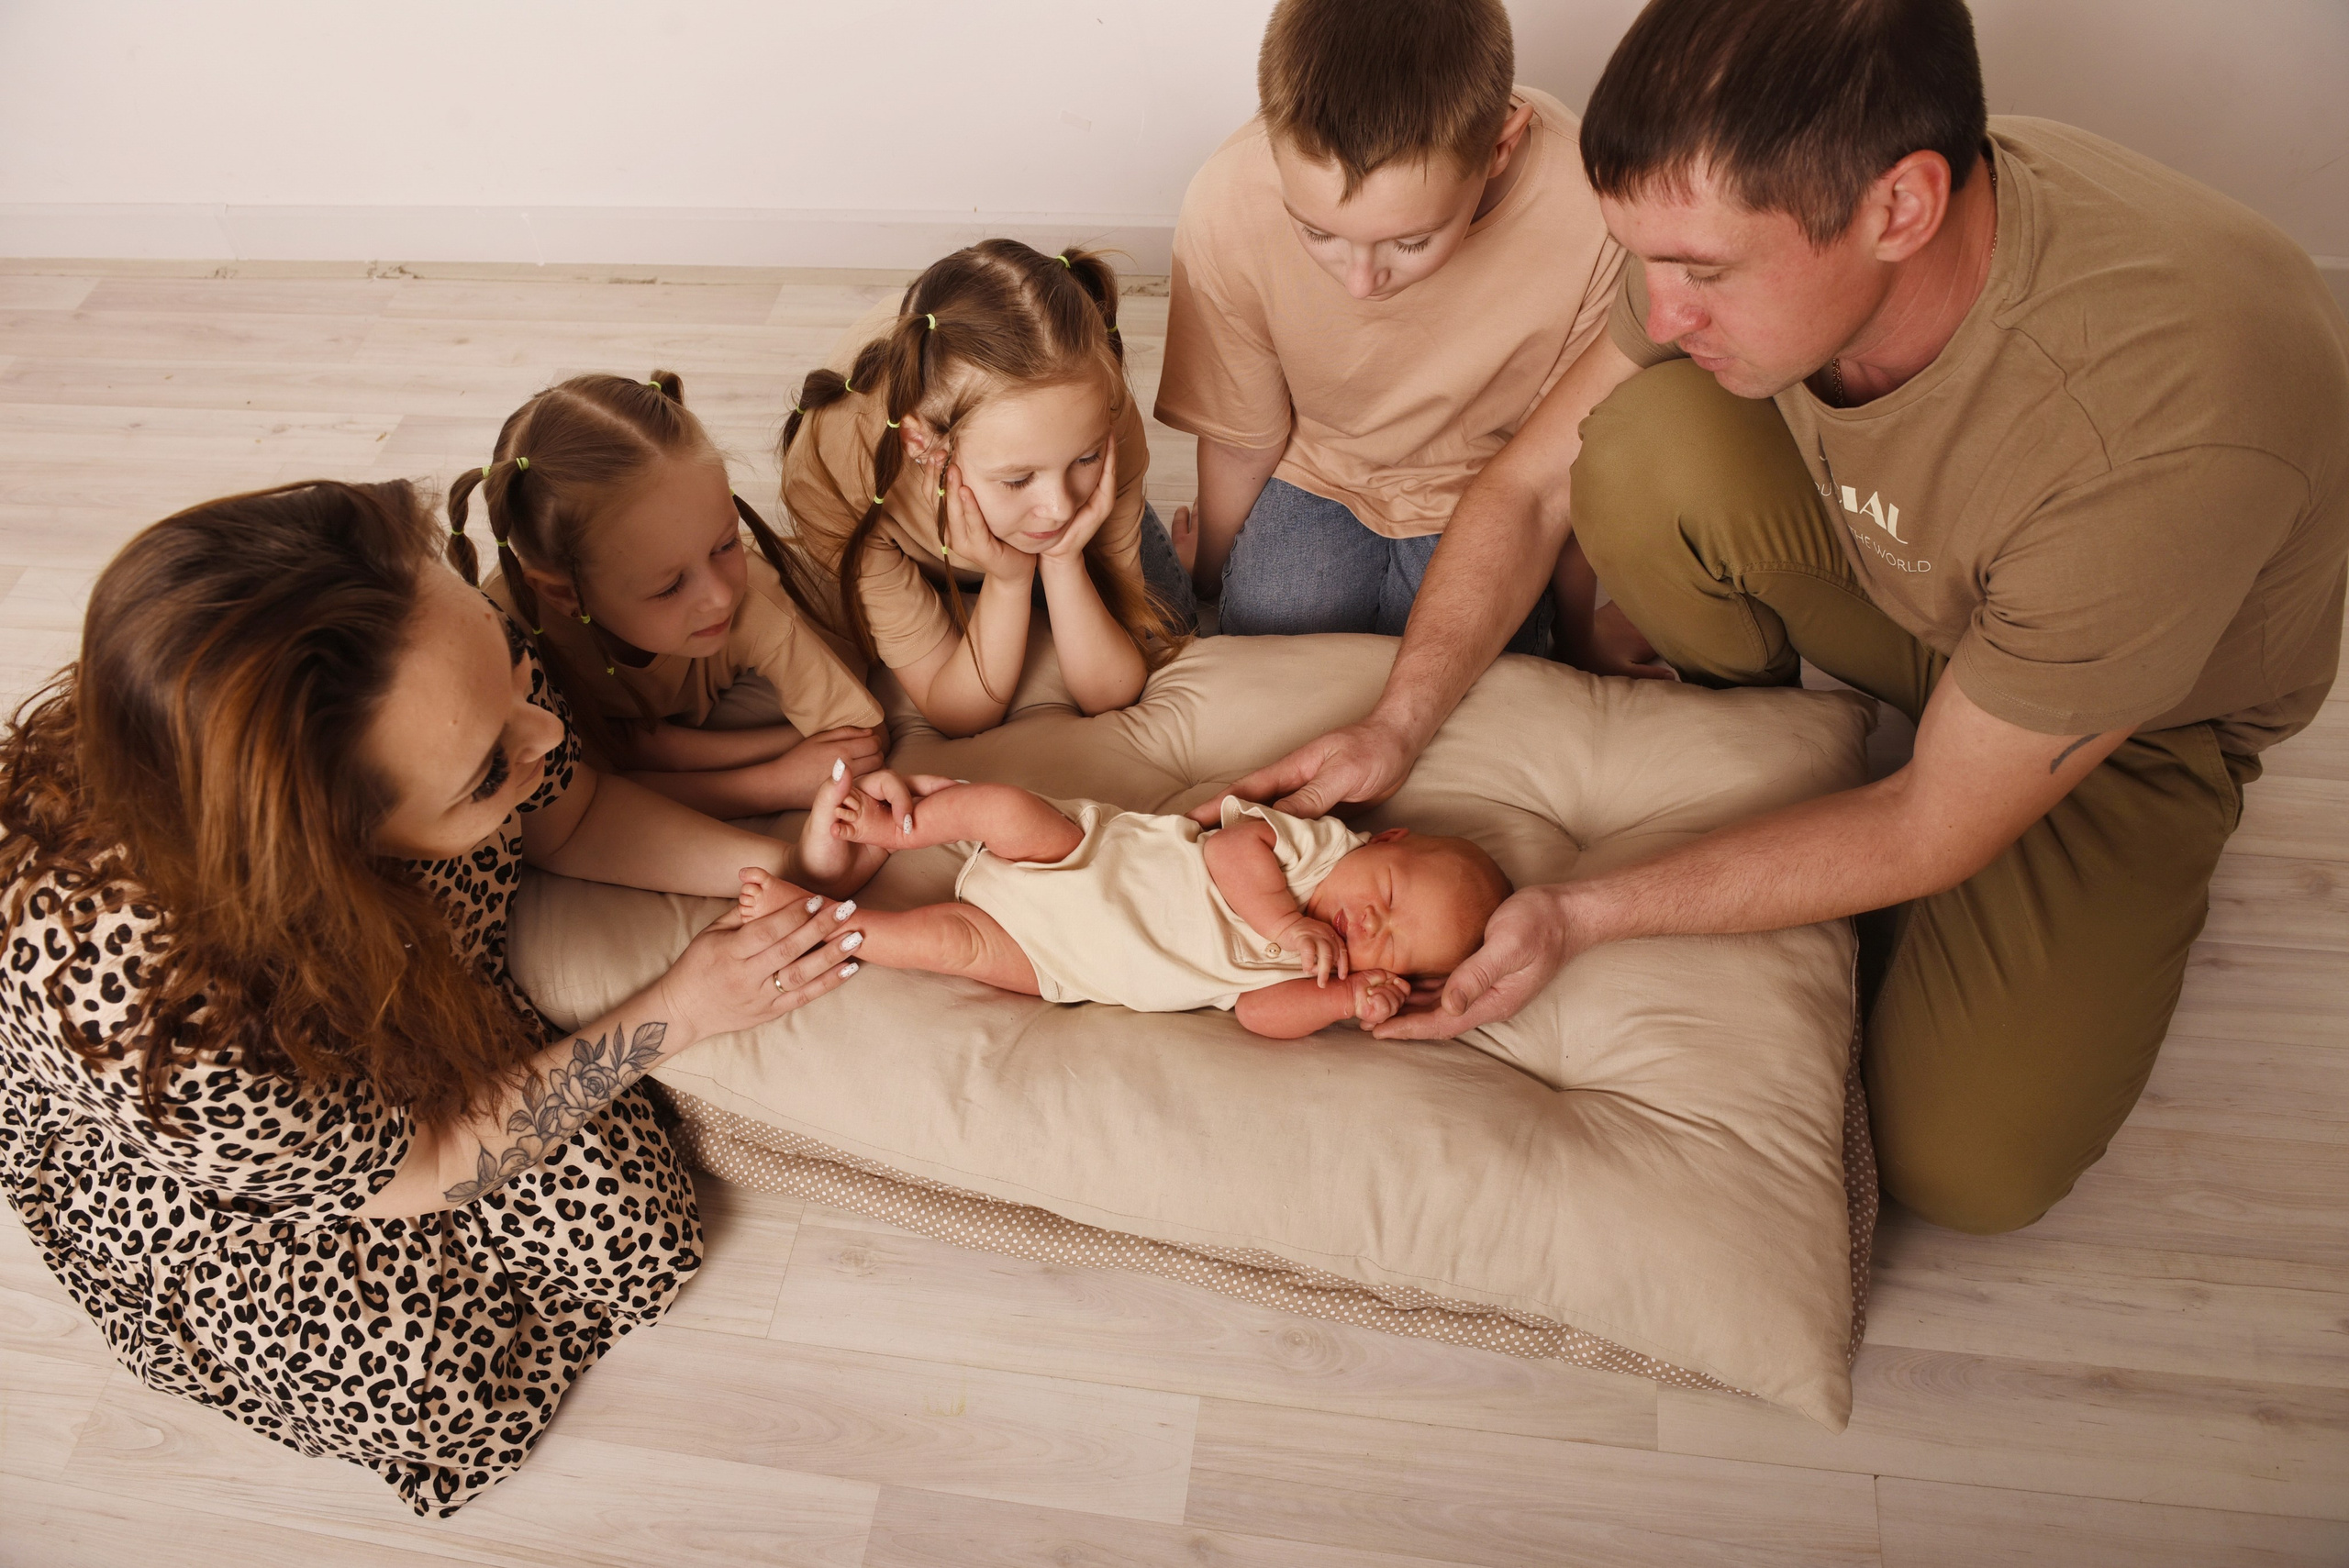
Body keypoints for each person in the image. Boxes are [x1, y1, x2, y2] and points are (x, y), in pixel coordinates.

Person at [1205, 0, 2349, 1233]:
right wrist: (1400, 720)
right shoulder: (1751, 211)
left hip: (2129, 721)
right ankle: (1756, 738)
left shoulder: (2155, 437)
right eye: (1647, 259)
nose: (1661, 308)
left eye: (1701, 273)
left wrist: (1583, 911)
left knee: (1969, 1162)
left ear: (1900, 210)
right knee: (1634, 448)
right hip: (1908, 574)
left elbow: (1927, 820)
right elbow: (1530, 483)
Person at [0, 480, 872, 1515]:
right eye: (487, 768)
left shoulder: (420, 646)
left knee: (638, 1237)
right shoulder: (173, 1023)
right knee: (442, 1385)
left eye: (511, 672)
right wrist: (680, 1006)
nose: (546, 733)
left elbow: (571, 807)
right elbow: (425, 1162)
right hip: (256, 1163)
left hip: (381, 1008)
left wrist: (779, 866)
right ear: (325, 856)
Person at [1156, 0, 1638, 665]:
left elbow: (1564, 467)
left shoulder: (1593, 211)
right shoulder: (1227, 200)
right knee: (1270, 625)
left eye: (1409, 241)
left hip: (1491, 484)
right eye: (1318, 233)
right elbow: (1241, 443)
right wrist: (1206, 575)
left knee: (1486, 672)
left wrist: (1578, 641)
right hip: (1319, 469)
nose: (1360, 284)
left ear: (1500, 146)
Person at [779, 240, 1194, 739]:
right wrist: (1008, 581)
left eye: (1085, 459)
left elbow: (1110, 692)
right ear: (925, 445)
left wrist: (1064, 562)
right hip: (916, 546)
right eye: (1019, 478)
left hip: (1042, 529)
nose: (1060, 507)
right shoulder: (837, 476)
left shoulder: (1102, 417)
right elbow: (956, 712)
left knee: (1178, 620)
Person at [740, 773, 1509, 1040]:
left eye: (1396, 948)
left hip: (1060, 959)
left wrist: (1342, 997)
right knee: (1005, 809)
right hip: (1081, 856)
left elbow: (1256, 1016)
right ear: (1387, 839)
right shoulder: (1320, 852)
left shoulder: (1325, 969)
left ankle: (816, 920)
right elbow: (1228, 851)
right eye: (1390, 894)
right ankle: (893, 828)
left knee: (941, 944)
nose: (1372, 924)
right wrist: (1283, 921)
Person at [451, 370, 887, 818]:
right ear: (566, 596)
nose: (720, 595)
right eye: (669, 587)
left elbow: (861, 741)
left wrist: (655, 751)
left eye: (725, 543)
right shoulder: (515, 635)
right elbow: (577, 797)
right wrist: (774, 780)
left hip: (732, 684)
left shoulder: (751, 598)